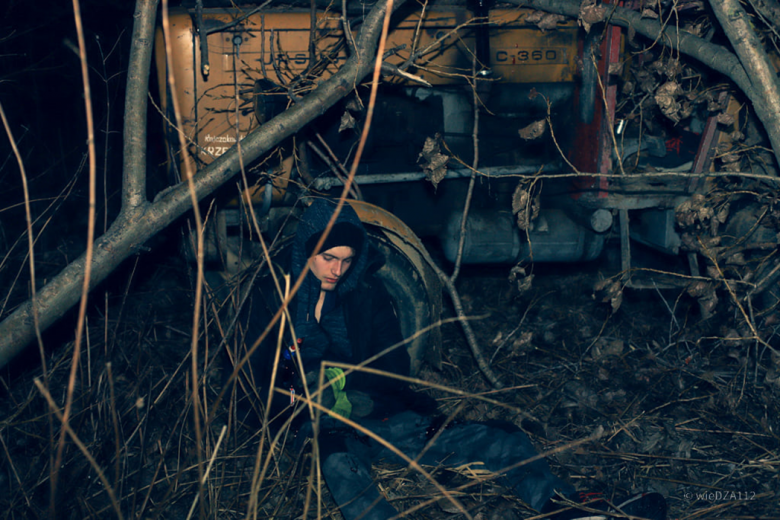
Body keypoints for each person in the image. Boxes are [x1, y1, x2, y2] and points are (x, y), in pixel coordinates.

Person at [239, 197, 667, 520]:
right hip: (329, 431)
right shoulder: (274, 298)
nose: (337, 270)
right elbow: (255, 384)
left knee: (499, 436)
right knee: (340, 468)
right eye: (327, 258)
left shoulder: (366, 296)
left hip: (387, 419)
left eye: (347, 261)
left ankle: (563, 505)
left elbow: (395, 370)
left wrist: (353, 388)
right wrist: (298, 402)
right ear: (305, 253)